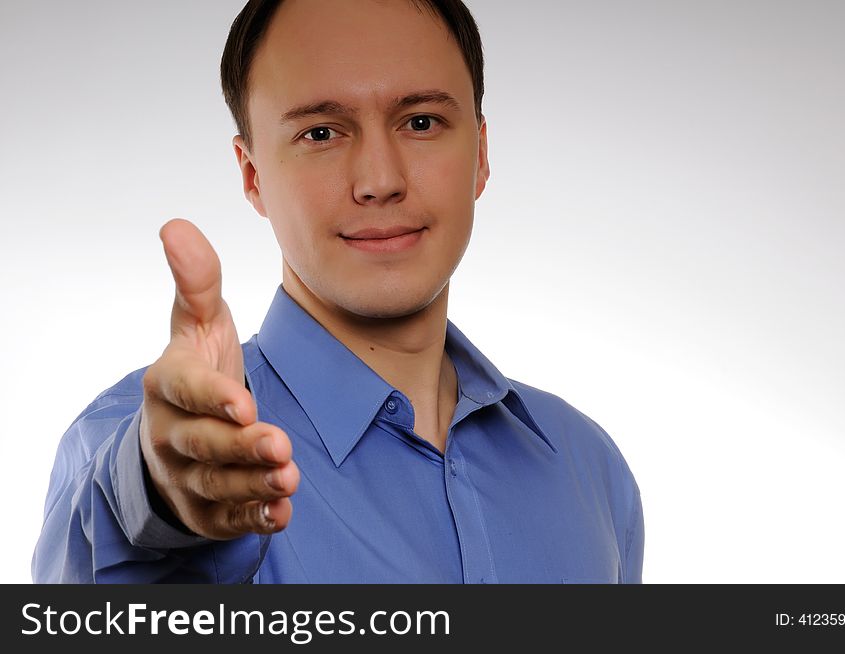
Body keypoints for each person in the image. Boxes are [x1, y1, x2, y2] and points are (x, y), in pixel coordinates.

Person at [33, 0, 644, 584]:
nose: (380, 181)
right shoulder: (147, 435)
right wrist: (160, 492)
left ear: (481, 153)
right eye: (322, 133)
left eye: (422, 122)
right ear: (253, 176)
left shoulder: (589, 468)